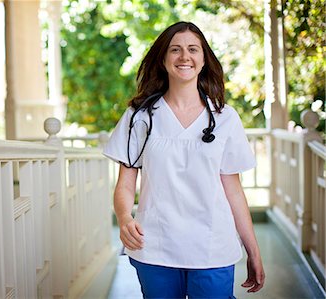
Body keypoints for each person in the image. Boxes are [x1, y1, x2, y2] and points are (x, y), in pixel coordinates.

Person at [103, 21, 265, 298]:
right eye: (175, 50)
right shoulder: (139, 117)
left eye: (193, 49)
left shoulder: (225, 118)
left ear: (204, 59)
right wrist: (124, 217)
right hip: (155, 245)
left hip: (212, 246)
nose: (184, 57)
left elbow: (233, 191)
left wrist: (253, 250)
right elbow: (126, 183)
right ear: (163, 59)